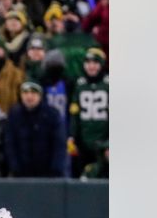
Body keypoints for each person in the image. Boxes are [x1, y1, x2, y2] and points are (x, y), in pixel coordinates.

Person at [7, 80, 68, 178]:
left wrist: (55, 170)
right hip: (21, 174)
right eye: (25, 92)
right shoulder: (14, 114)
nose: (29, 96)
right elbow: (10, 143)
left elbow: (59, 144)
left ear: (40, 95)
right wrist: (14, 167)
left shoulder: (52, 114)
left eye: (33, 92)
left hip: (47, 174)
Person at [70, 47, 109, 178]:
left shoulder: (108, 85)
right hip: (83, 143)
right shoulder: (79, 85)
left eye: (95, 63)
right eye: (88, 62)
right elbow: (74, 114)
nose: (91, 66)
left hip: (104, 144)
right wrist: (72, 137)